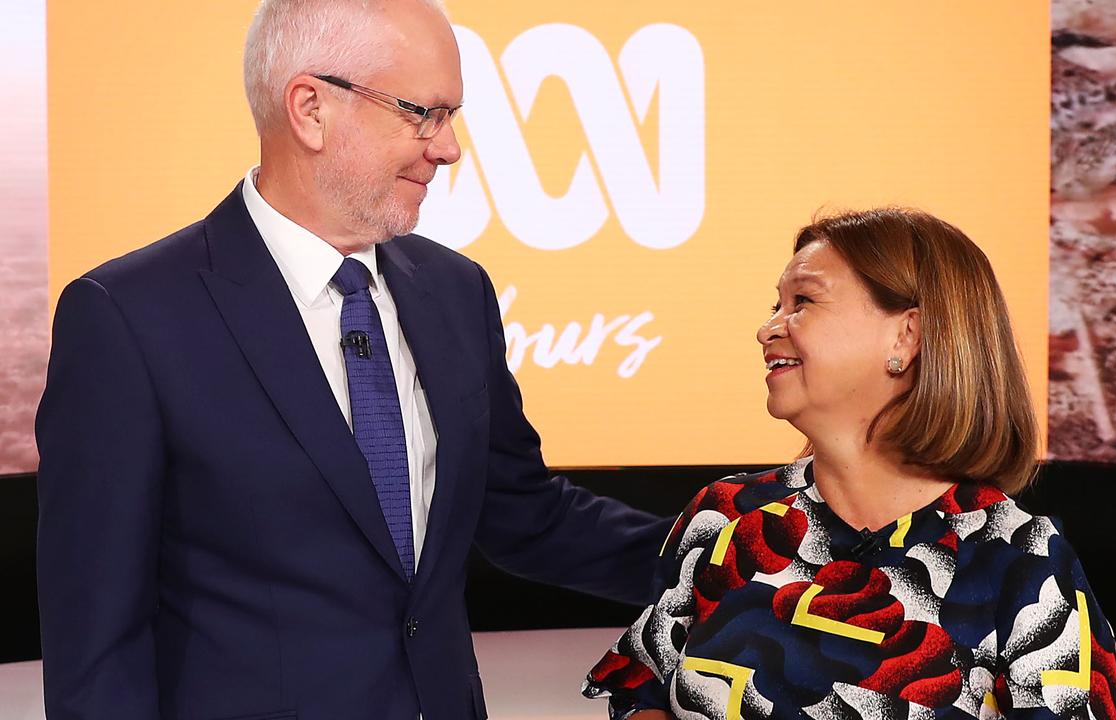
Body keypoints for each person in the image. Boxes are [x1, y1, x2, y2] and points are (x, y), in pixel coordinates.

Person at [35, 1, 667, 718]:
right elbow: (96, 642)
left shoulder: (457, 293)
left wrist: (744, 554)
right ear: (309, 109)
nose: (449, 147)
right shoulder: (128, 318)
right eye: (422, 113)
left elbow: (525, 516)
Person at [583, 209, 1116, 719]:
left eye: (803, 302)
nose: (768, 328)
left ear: (906, 336)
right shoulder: (724, 516)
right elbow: (641, 684)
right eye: (775, 304)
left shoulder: (1023, 561)